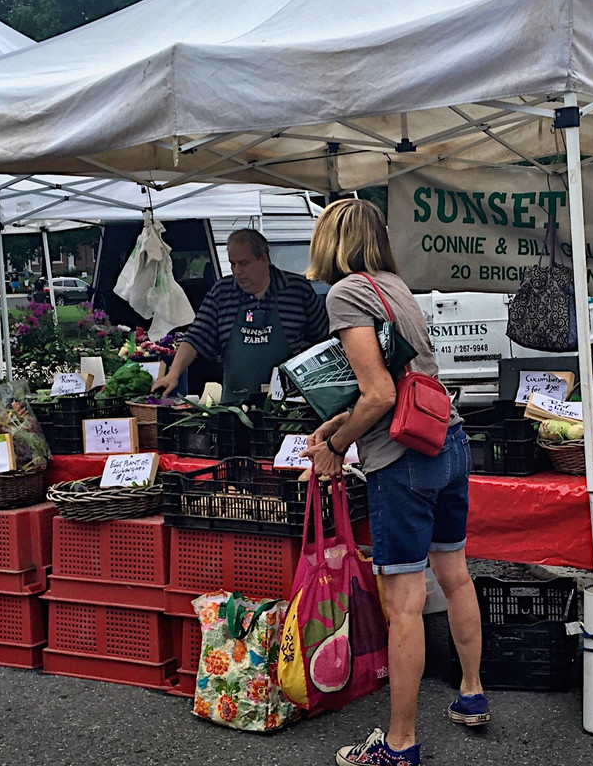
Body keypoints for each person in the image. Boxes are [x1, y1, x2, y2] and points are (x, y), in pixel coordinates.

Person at [300, 199, 487, 766]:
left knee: (404, 602)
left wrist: (335, 447)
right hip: (447, 438)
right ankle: (472, 694)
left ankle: (400, 744)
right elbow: (399, 382)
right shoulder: (393, 286)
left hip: (403, 459)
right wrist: (339, 424)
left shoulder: (344, 293)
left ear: (331, 240)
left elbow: (380, 394)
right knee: (455, 575)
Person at [151, 228, 329, 401]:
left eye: (243, 263)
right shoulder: (222, 292)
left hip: (289, 403)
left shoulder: (297, 290)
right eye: (232, 264)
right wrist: (173, 374)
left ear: (263, 259)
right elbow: (196, 337)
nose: (237, 271)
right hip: (235, 404)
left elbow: (324, 340)